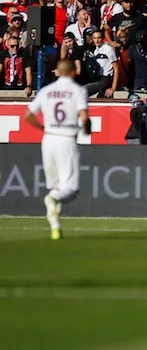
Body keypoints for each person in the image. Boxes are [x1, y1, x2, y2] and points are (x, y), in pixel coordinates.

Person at [23, 58, 90, 240]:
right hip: (67, 139)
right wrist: (86, 129)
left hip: (48, 139)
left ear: (57, 72)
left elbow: (27, 115)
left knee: (56, 186)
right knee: (71, 189)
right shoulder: (78, 90)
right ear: (74, 72)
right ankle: (53, 200)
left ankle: (55, 226)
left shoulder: (46, 91)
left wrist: (42, 128)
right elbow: (84, 117)